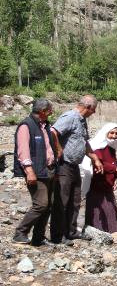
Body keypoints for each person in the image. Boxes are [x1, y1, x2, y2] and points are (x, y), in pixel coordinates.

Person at [50, 95, 102, 244]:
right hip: (64, 165)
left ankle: (71, 231)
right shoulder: (70, 117)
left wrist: (95, 158)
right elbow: (53, 131)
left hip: (74, 166)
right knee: (62, 201)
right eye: (94, 110)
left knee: (75, 200)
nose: (94, 113)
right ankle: (57, 236)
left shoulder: (82, 121)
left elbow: (84, 142)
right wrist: (59, 149)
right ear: (88, 107)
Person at [12, 99, 57, 246]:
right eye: (50, 109)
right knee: (41, 204)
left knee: (48, 205)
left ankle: (38, 238)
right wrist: (29, 171)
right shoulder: (26, 126)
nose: (52, 112)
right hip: (36, 172)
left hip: (49, 170)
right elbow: (23, 151)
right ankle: (20, 233)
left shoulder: (44, 125)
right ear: (43, 111)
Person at [85, 123, 117, 233]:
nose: (114, 136)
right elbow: (99, 163)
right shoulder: (98, 147)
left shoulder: (111, 148)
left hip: (108, 184)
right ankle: (98, 232)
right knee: (100, 209)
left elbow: (113, 162)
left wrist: (115, 178)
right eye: (111, 133)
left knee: (111, 209)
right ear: (106, 133)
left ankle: (112, 232)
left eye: (116, 133)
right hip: (98, 183)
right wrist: (115, 169)